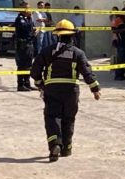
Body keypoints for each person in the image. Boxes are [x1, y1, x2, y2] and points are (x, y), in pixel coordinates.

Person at [30, 19, 101, 162]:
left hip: (52, 90)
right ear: (72, 36)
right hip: (71, 91)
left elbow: (35, 70)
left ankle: (55, 144)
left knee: (52, 117)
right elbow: (87, 72)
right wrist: (95, 89)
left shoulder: (47, 51)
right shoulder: (78, 53)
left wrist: (40, 84)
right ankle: (66, 148)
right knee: (69, 118)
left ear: (58, 35)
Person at [14, 2, 35, 91]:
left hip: (29, 43)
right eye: (26, 8)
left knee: (29, 65)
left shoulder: (29, 18)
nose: (28, 10)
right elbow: (25, 28)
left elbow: (32, 29)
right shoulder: (19, 19)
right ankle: (20, 84)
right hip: (22, 45)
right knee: (22, 65)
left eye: (29, 8)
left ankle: (27, 83)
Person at [112, 13, 125, 81]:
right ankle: (118, 75)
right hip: (120, 42)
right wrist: (124, 30)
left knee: (123, 59)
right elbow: (114, 30)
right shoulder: (118, 20)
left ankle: (122, 74)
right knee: (120, 59)